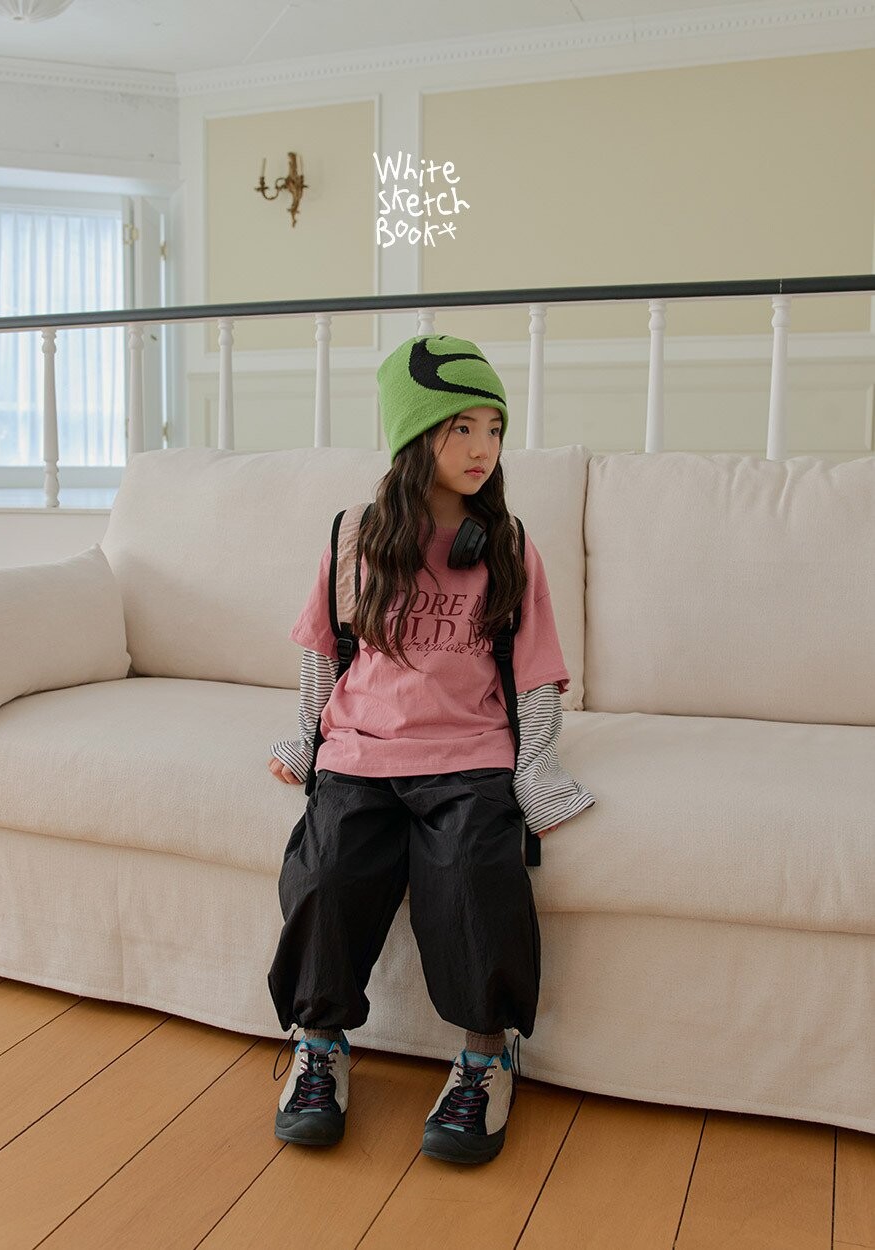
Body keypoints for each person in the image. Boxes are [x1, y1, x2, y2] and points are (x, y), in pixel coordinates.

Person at [266, 333, 595, 1165]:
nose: (484, 447)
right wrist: (305, 739)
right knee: (325, 872)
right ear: (416, 436)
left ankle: (486, 1056)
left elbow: (536, 677)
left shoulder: (508, 546)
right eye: (462, 428)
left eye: (495, 428)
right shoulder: (354, 537)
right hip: (360, 750)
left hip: (469, 755)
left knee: (475, 875)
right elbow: (321, 652)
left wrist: (535, 771)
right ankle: (319, 1045)